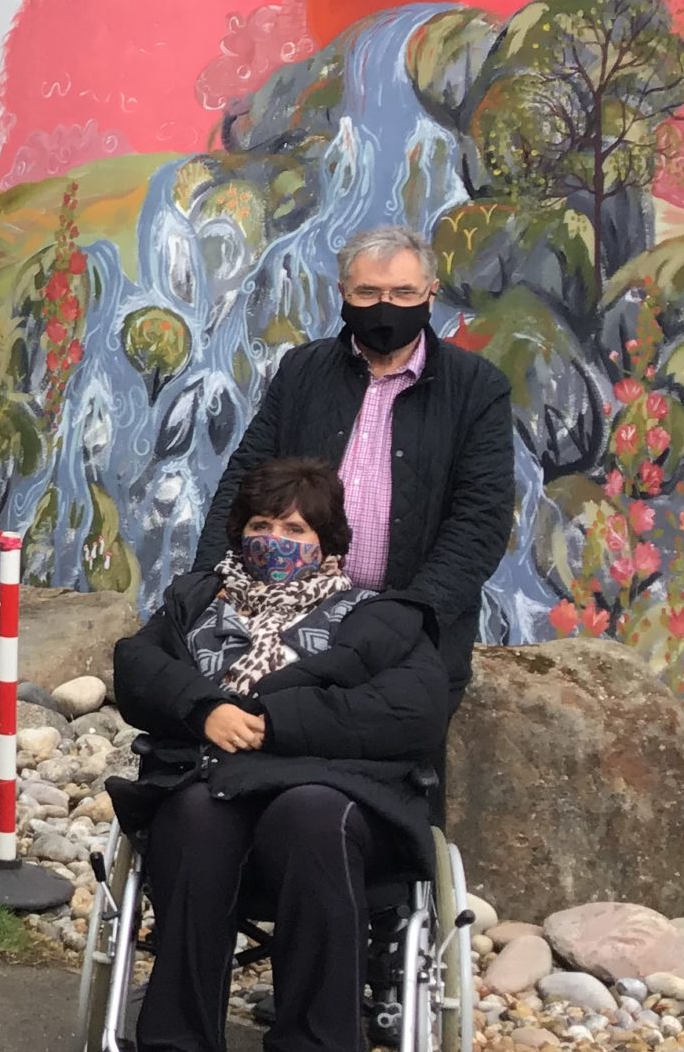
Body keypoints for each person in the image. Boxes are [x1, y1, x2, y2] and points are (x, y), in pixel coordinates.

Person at [111, 457, 451, 1052]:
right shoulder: (195, 601)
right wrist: (204, 707)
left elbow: (413, 712)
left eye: (296, 529)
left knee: (309, 815)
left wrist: (276, 724)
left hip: (335, 800)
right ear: (240, 531)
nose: (277, 539)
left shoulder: (379, 618)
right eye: (263, 525)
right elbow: (137, 665)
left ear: (328, 541)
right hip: (217, 787)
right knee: (195, 815)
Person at [196, 224, 512, 701]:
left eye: (403, 292)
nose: (386, 306)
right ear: (343, 292)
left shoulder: (477, 387)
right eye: (368, 292)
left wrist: (412, 611)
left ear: (431, 294)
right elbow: (246, 480)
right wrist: (207, 580)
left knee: (380, 742)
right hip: (286, 620)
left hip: (411, 633)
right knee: (251, 731)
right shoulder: (301, 371)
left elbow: (481, 520)